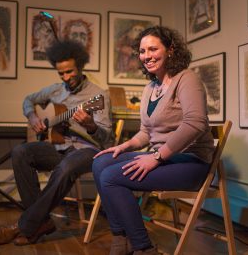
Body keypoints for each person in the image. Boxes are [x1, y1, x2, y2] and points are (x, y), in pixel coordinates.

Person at [92, 26, 215, 255]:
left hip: (191, 162)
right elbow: (146, 133)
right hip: (164, 159)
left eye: (152, 49)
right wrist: (124, 146)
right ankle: (122, 238)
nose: (146, 56)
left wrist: (157, 157)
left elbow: (196, 123)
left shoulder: (186, 79)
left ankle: (143, 247)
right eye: (141, 51)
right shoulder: (151, 87)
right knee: (100, 163)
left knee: (110, 178)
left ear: (170, 50)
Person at [0, 40, 114, 246]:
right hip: (60, 146)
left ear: (81, 66)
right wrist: (33, 118)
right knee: (20, 152)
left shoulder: (98, 95)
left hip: (87, 150)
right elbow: (28, 100)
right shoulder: (56, 90)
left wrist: (91, 125)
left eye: (70, 72)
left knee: (66, 167)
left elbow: (107, 139)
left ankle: (25, 225)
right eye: (61, 74)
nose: (66, 78)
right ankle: (42, 223)